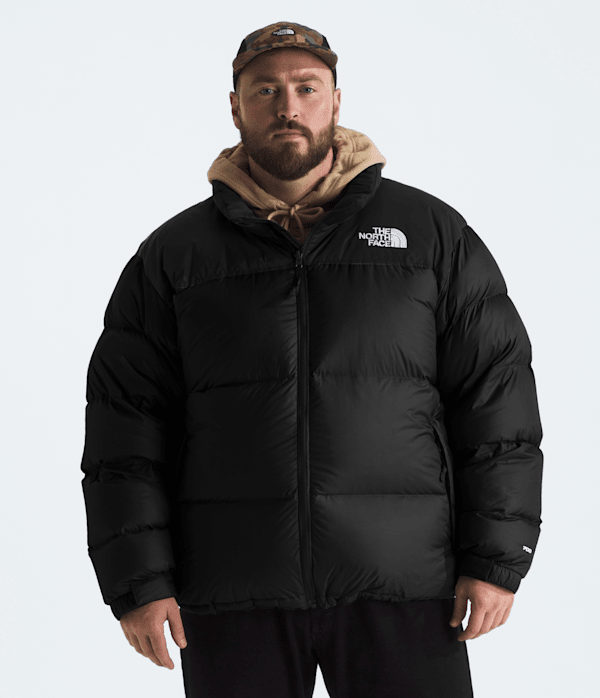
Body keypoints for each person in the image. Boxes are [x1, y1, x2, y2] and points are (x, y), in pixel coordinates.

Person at [80, 21, 544, 698]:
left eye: (306, 87)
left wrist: (496, 560)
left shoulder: (430, 235)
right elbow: (124, 431)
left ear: (335, 100)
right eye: (265, 90)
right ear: (235, 107)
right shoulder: (175, 256)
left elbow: (496, 402)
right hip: (233, 590)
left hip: (405, 584)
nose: (288, 106)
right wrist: (139, 582)